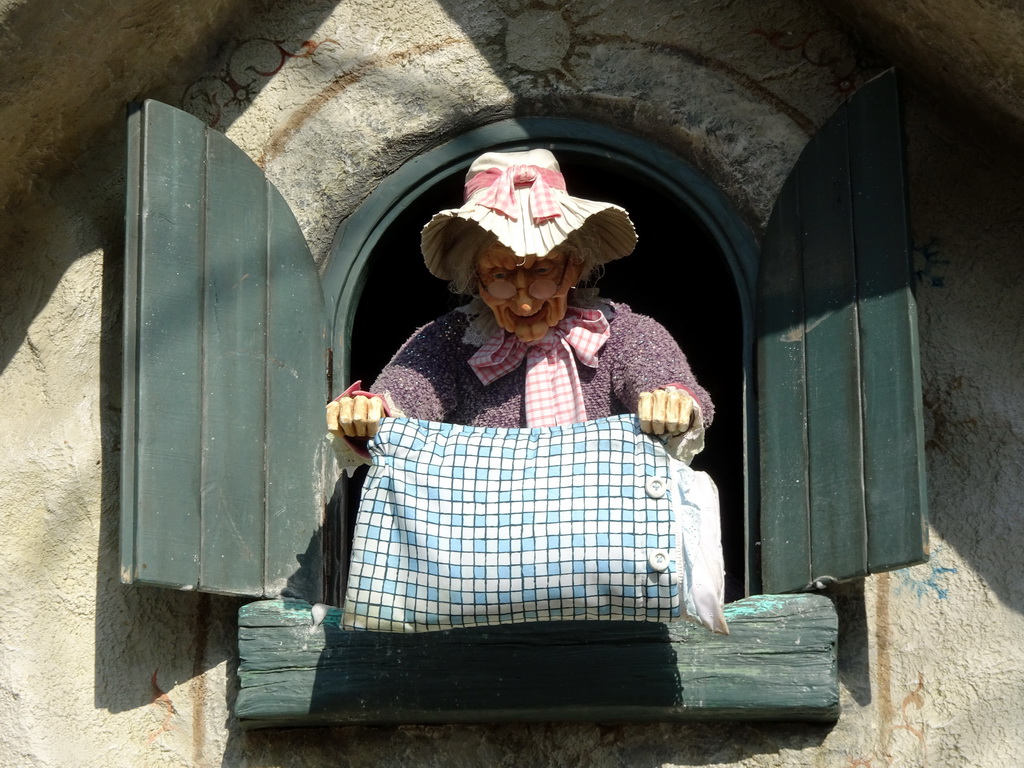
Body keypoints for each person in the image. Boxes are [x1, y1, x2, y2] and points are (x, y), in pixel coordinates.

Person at [326, 149, 713, 464]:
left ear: (575, 267)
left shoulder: (625, 334)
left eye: (543, 270)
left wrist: (672, 402)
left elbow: (669, 387)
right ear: (473, 278)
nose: (525, 300)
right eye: (499, 276)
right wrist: (365, 414)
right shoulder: (450, 340)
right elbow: (405, 395)